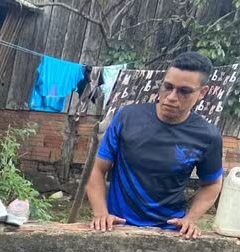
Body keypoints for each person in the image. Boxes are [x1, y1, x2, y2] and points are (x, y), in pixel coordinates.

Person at [86, 52, 224, 240]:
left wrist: (191, 219)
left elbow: (212, 184)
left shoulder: (207, 136)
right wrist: (100, 213)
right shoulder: (127, 117)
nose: (171, 97)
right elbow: (97, 168)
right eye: (167, 87)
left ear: (202, 92)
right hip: (116, 227)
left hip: (169, 234)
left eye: (184, 91)